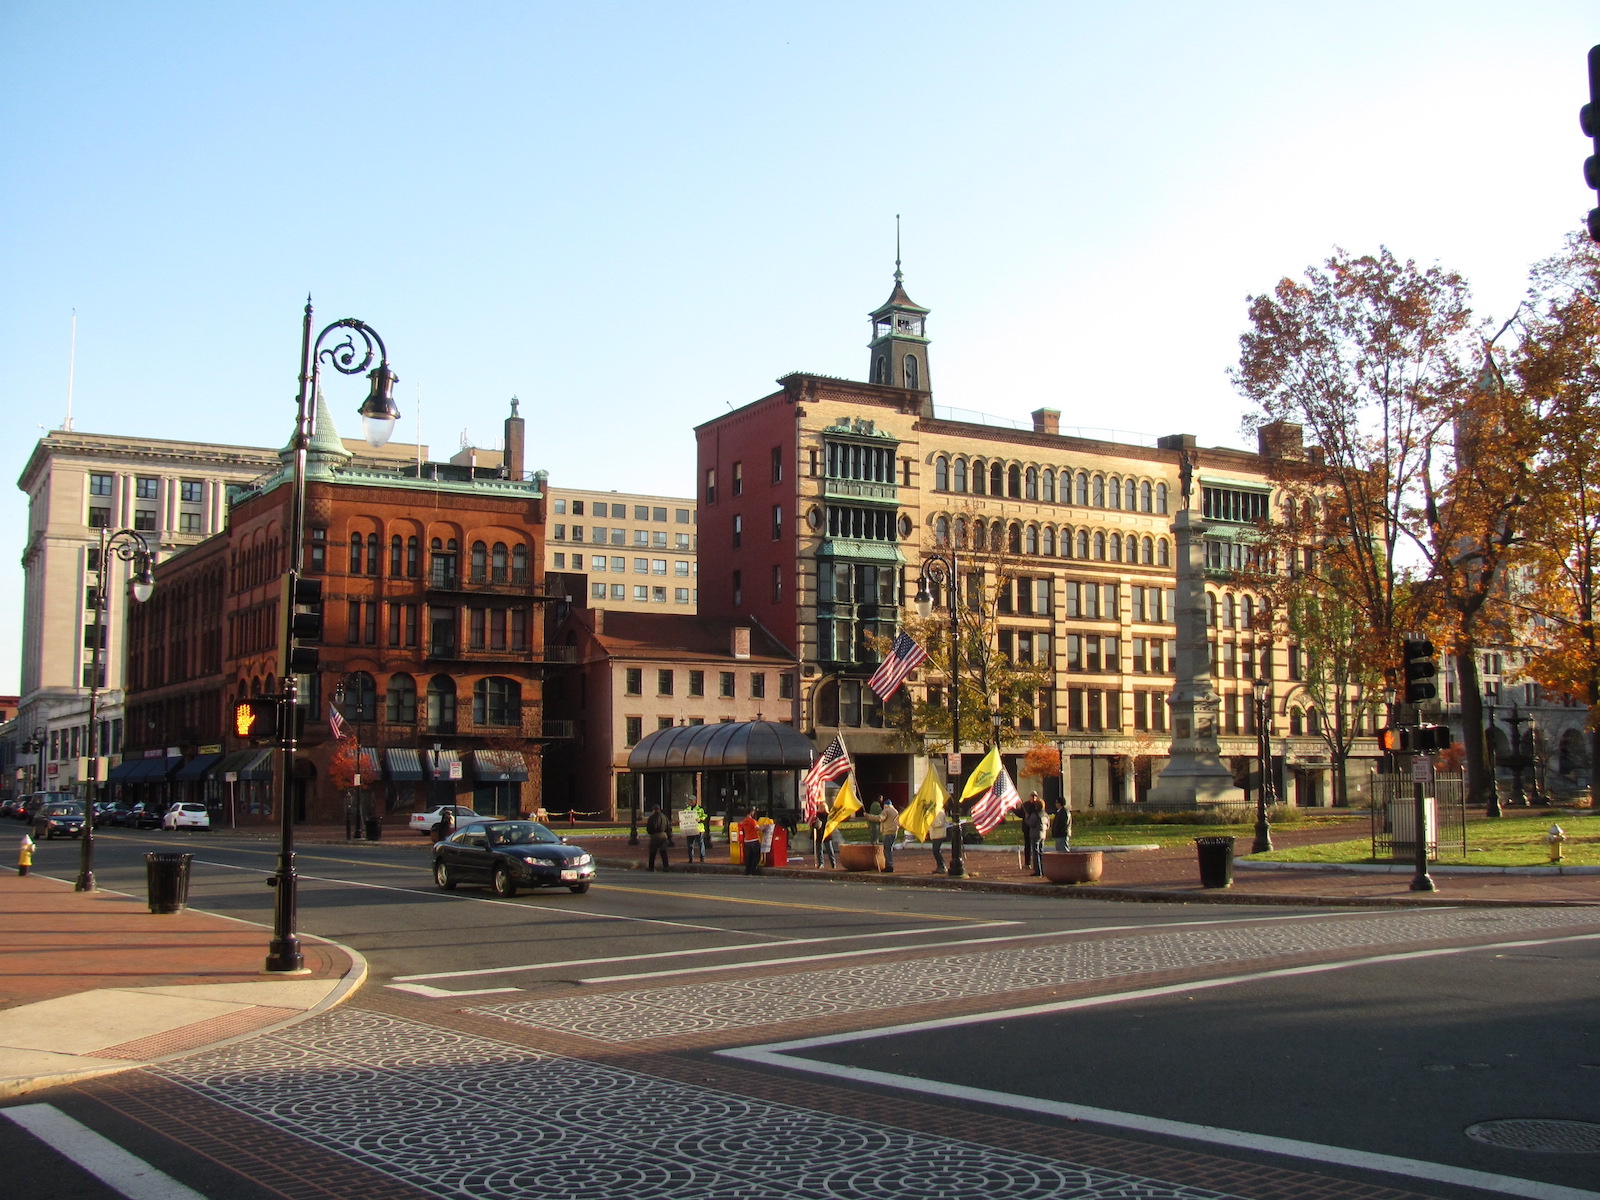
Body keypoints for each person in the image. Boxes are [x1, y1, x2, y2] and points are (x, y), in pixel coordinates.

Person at [866, 796, 900, 872]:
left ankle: (889, 866)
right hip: (894, 832)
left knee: (887, 850)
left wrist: (868, 816)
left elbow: (880, 818)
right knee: (889, 849)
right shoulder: (895, 811)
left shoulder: (886, 811)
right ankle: (889, 865)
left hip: (888, 832)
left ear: (885, 805)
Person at [1021, 793, 1045, 876]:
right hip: (1043, 834)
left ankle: (1038, 871)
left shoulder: (1035, 814)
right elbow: (1047, 824)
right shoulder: (1044, 814)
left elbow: (1031, 823)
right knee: (1041, 852)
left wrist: (1027, 818)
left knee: (1035, 853)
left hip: (1035, 834)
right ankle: (1043, 869)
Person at [645, 803, 670, 871]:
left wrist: (651, 833)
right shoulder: (665, 817)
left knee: (652, 853)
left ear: (654, 810)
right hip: (663, 836)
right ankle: (666, 867)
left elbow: (649, 829)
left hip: (654, 836)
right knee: (663, 853)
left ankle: (651, 867)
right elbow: (668, 828)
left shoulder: (651, 818)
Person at [928, 803, 949, 874]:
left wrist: (931, 823)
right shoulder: (936, 812)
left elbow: (940, 823)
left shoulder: (939, 812)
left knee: (936, 850)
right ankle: (940, 866)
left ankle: (942, 866)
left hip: (939, 834)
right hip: (935, 834)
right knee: (936, 851)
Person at [739, 809, 762, 875]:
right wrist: (764, 828)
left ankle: (747, 870)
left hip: (747, 841)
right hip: (754, 840)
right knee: (756, 856)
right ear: (751, 812)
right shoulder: (752, 821)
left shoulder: (744, 821)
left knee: (749, 857)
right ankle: (753, 870)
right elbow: (757, 828)